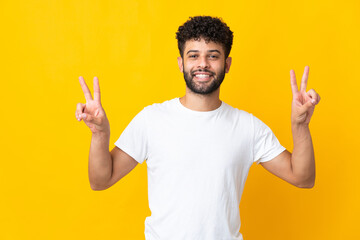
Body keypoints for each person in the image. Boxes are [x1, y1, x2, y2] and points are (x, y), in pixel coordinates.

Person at [75, 16, 320, 240]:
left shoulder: (248, 127)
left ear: (227, 63)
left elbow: (303, 177)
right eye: (194, 55)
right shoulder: (152, 119)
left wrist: (300, 126)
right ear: (181, 63)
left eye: (213, 55)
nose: (202, 64)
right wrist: (100, 134)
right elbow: (100, 180)